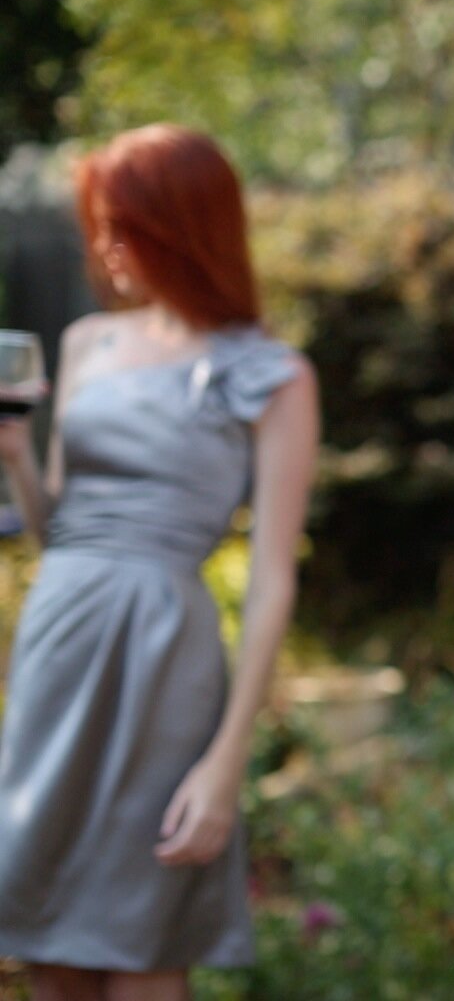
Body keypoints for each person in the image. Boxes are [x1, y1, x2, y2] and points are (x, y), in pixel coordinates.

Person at [0, 125, 320, 1000]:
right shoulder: (87, 344)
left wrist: (224, 762)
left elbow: (271, 581)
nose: (103, 249)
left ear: (183, 228)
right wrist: (19, 461)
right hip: (57, 648)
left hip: (162, 662)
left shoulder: (270, 374)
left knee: (141, 944)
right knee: (45, 939)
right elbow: (59, 530)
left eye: (123, 226)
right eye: (96, 225)